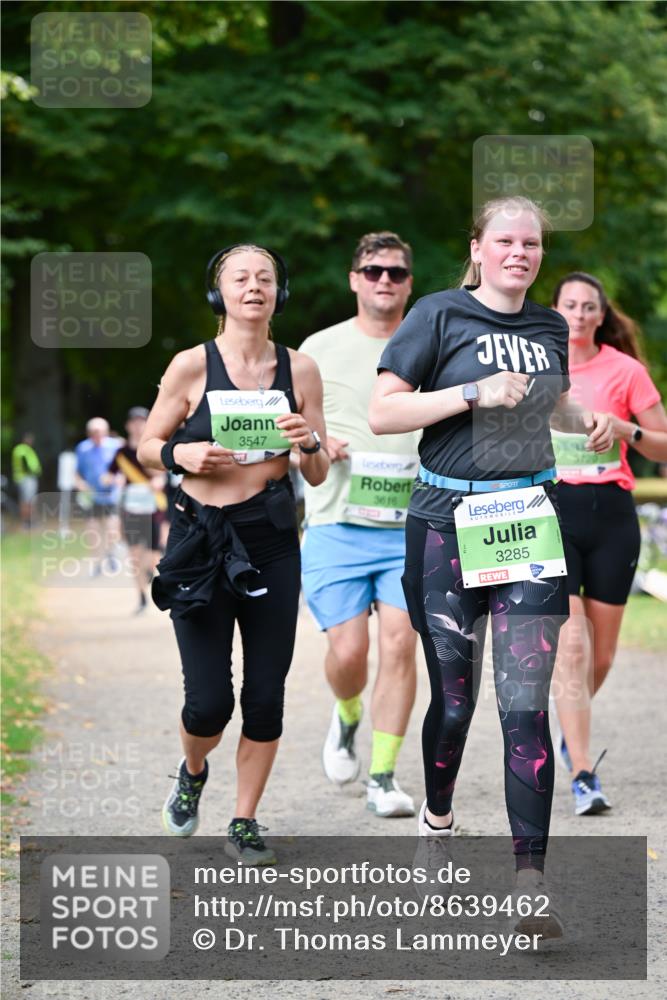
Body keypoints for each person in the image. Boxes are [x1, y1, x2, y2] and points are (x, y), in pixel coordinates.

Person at [369, 196, 613, 931]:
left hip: (527, 519)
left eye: (530, 243)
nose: (519, 253)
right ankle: (436, 823)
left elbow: (551, 404)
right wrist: (469, 391)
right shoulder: (438, 315)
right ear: (477, 248)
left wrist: (586, 421)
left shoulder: (546, 325)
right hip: (444, 519)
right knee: (452, 701)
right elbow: (384, 412)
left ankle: (529, 884)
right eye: (504, 240)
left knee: (522, 707)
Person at [138, 244, 328, 864]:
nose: (254, 287)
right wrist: (179, 456)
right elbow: (148, 443)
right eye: (240, 278)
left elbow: (319, 473)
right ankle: (193, 770)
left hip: (270, 540)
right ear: (219, 291)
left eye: (266, 278)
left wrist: (309, 443)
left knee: (266, 694)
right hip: (199, 539)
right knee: (209, 701)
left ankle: (244, 819)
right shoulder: (192, 366)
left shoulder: (300, 370)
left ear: (280, 292)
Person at [300, 232, 420, 818]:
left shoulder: (431, 342)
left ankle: (383, 776)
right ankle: (347, 714)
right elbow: (288, 427)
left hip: (410, 525)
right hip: (336, 521)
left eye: (396, 273)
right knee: (349, 654)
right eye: (373, 271)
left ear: (409, 284)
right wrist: (321, 442)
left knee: (400, 643)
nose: (384, 281)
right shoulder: (317, 349)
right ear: (354, 279)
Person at [549, 272, 667, 815]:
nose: (577, 313)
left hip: (611, 516)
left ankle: (570, 731)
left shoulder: (626, 370)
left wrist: (624, 430)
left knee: (601, 654)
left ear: (601, 315)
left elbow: (664, 447)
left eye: (587, 306)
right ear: (554, 310)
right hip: (550, 512)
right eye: (568, 304)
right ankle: (581, 773)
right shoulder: (535, 367)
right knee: (571, 645)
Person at [106, 407, 167, 615]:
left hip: (153, 508)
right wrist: (115, 480)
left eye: (142, 421)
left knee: (153, 556)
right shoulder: (121, 453)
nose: (138, 426)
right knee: (134, 555)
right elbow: (108, 475)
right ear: (128, 425)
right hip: (131, 509)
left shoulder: (154, 447)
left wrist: (157, 481)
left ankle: (150, 573)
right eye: (134, 422)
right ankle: (141, 597)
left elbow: (162, 474)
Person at [74, 418, 122, 574]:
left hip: (111, 495)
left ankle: (111, 553)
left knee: (111, 528)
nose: (97, 435)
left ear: (106, 432)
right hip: (91, 495)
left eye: (100, 432)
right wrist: (81, 484)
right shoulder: (82, 448)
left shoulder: (115, 446)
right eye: (94, 432)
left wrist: (117, 479)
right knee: (93, 530)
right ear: (89, 433)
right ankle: (97, 562)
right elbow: (77, 473)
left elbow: (123, 469)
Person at [12, 432, 42, 529]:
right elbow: (26, 464)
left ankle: (30, 521)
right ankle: (27, 522)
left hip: (27, 478)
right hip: (26, 478)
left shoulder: (26, 449)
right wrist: (33, 471)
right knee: (27, 501)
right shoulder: (22, 450)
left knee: (28, 500)